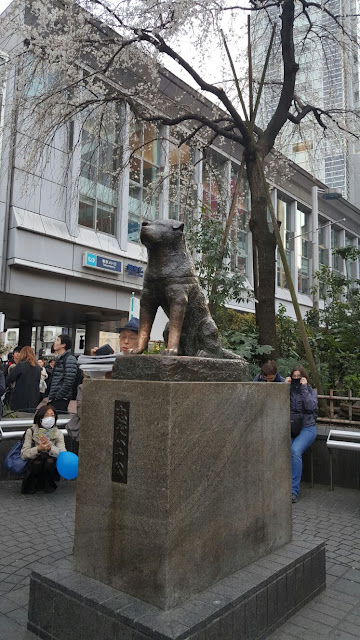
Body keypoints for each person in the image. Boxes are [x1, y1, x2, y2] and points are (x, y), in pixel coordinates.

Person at [285, 365, 318, 504]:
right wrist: (283, 387)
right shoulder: (288, 389)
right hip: (291, 427)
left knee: (294, 450)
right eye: (294, 376)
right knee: (286, 452)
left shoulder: (311, 390)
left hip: (307, 428)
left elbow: (311, 407)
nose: (296, 379)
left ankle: (293, 491)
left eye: (299, 377)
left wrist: (304, 389)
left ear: (304, 377)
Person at [20, 404, 66, 494]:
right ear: (40, 417)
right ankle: (32, 484)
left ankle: (48, 484)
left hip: (50, 461)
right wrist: (38, 448)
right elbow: (24, 454)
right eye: (46, 415)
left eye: (52, 415)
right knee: (37, 462)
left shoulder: (57, 433)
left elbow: (63, 453)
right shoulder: (31, 431)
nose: (50, 418)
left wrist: (50, 448)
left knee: (49, 461)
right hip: (34, 461)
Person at [48, 334, 78, 412]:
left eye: (57, 340)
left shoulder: (69, 358)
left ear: (63, 345)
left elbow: (69, 381)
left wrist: (58, 396)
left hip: (61, 398)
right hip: (55, 397)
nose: (54, 342)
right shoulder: (60, 358)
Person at [6, 346, 41, 412]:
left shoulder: (20, 365)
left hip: (19, 398)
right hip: (33, 398)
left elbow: (9, 379)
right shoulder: (38, 367)